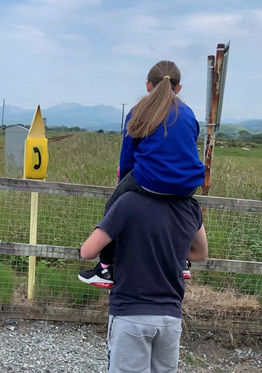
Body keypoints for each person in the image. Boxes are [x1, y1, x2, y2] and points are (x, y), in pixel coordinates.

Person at [78, 60, 205, 288]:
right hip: (187, 185)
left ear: (148, 85)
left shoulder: (140, 110)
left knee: (113, 207)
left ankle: (107, 267)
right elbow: (188, 148)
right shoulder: (188, 114)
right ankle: (183, 260)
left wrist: (124, 185)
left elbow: (128, 156)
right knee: (181, 210)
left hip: (150, 179)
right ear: (178, 88)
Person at [80, 192, 208, 373]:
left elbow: (87, 251)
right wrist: (170, 249)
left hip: (131, 312)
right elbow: (200, 253)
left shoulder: (129, 201)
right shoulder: (190, 206)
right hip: (170, 317)